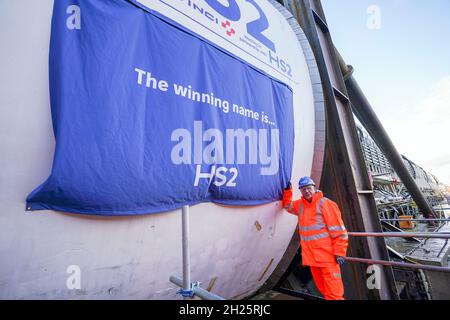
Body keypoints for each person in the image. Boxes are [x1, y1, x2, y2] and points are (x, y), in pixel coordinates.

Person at [282, 177, 348, 300]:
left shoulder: (326, 204)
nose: (306, 191)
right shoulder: (300, 206)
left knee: (334, 293)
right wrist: (287, 190)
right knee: (323, 290)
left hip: (328, 258)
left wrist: (339, 252)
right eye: (303, 189)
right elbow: (287, 206)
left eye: (308, 188)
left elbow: (339, 232)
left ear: (314, 188)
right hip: (312, 259)